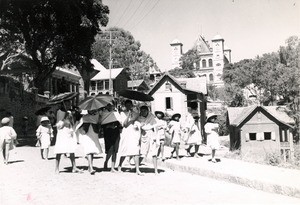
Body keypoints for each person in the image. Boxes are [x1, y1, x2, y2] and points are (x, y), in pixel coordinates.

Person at [117, 100, 142, 175]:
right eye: (127, 105)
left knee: (135, 149)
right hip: (126, 132)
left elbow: (138, 121)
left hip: (134, 132)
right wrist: (128, 115)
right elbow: (124, 124)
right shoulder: (122, 113)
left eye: (130, 105)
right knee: (125, 148)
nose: (128, 106)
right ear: (125, 106)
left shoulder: (136, 113)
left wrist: (135, 117)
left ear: (132, 105)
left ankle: (137, 169)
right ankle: (119, 166)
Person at [75, 109, 102, 175]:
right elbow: (79, 124)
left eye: (93, 109)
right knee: (89, 149)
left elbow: (99, 123)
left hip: (94, 133)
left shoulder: (97, 115)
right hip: (86, 133)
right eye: (90, 110)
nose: (92, 111)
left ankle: (90, 166)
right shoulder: (84, 116)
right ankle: (91, 167)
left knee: (92, 150)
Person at [101, 103, 122, 173]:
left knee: (115, 150)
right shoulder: (104, 113)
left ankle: (112, 167)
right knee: (110, 150)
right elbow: (102, 124)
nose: (110, 106)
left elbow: (120, 123)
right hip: (108, 133)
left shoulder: (116, 113)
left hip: (116, 133)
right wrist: (109, 126)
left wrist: (119, 126)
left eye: (112, 105)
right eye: (108, 105)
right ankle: (106, 161)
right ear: (106, 106)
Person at [137, 106, 159, 174]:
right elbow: (137, 127)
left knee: (154, 153)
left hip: (152, 135)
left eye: (145, 110)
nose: (143, 112)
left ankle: (156, 170)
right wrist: (141, 127)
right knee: (142, 153)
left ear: (147, 111)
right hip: (144, 135)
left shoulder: (151, 117)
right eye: (142, 111)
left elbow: (155, 126)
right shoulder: (139, 118)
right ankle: (137, 168)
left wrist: (156, 136)